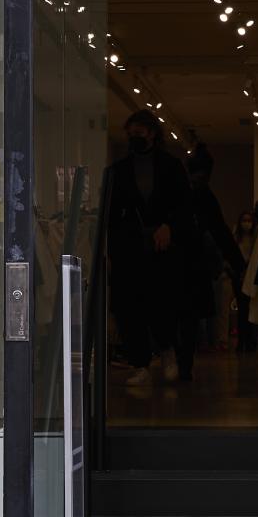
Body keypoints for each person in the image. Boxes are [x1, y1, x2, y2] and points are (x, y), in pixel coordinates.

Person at [107, 110, 189, 385]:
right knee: (131, 307)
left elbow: (183, 206)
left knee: (163, 303)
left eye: (139, 133)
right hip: (130, 248)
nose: (134, 139)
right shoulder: (118, 171)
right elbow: (111, 213)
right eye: (130, 134)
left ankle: (167, 352)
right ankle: (139, 362)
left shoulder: (171, 166)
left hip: (163, 247)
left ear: (152, 134)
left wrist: (169, 225)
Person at [174, 144, 246, 378]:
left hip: (185, 262)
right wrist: (237, 263)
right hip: (194, 263)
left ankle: (181, 362)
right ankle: (183, 364)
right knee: (190, 318)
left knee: (186, 318)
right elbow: (220, 231)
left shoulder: (186, 193)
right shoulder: (204, 196)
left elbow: (220, 231)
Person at [233, 210, 257, 351]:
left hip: (251, 276)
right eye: (244, 220)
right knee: (242, 310)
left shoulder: (255, 239)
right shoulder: (236, 238)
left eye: (249, 221)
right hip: (239, 275)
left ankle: (250, 341)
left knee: (250, 310)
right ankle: (241, 341)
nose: (246, 224)